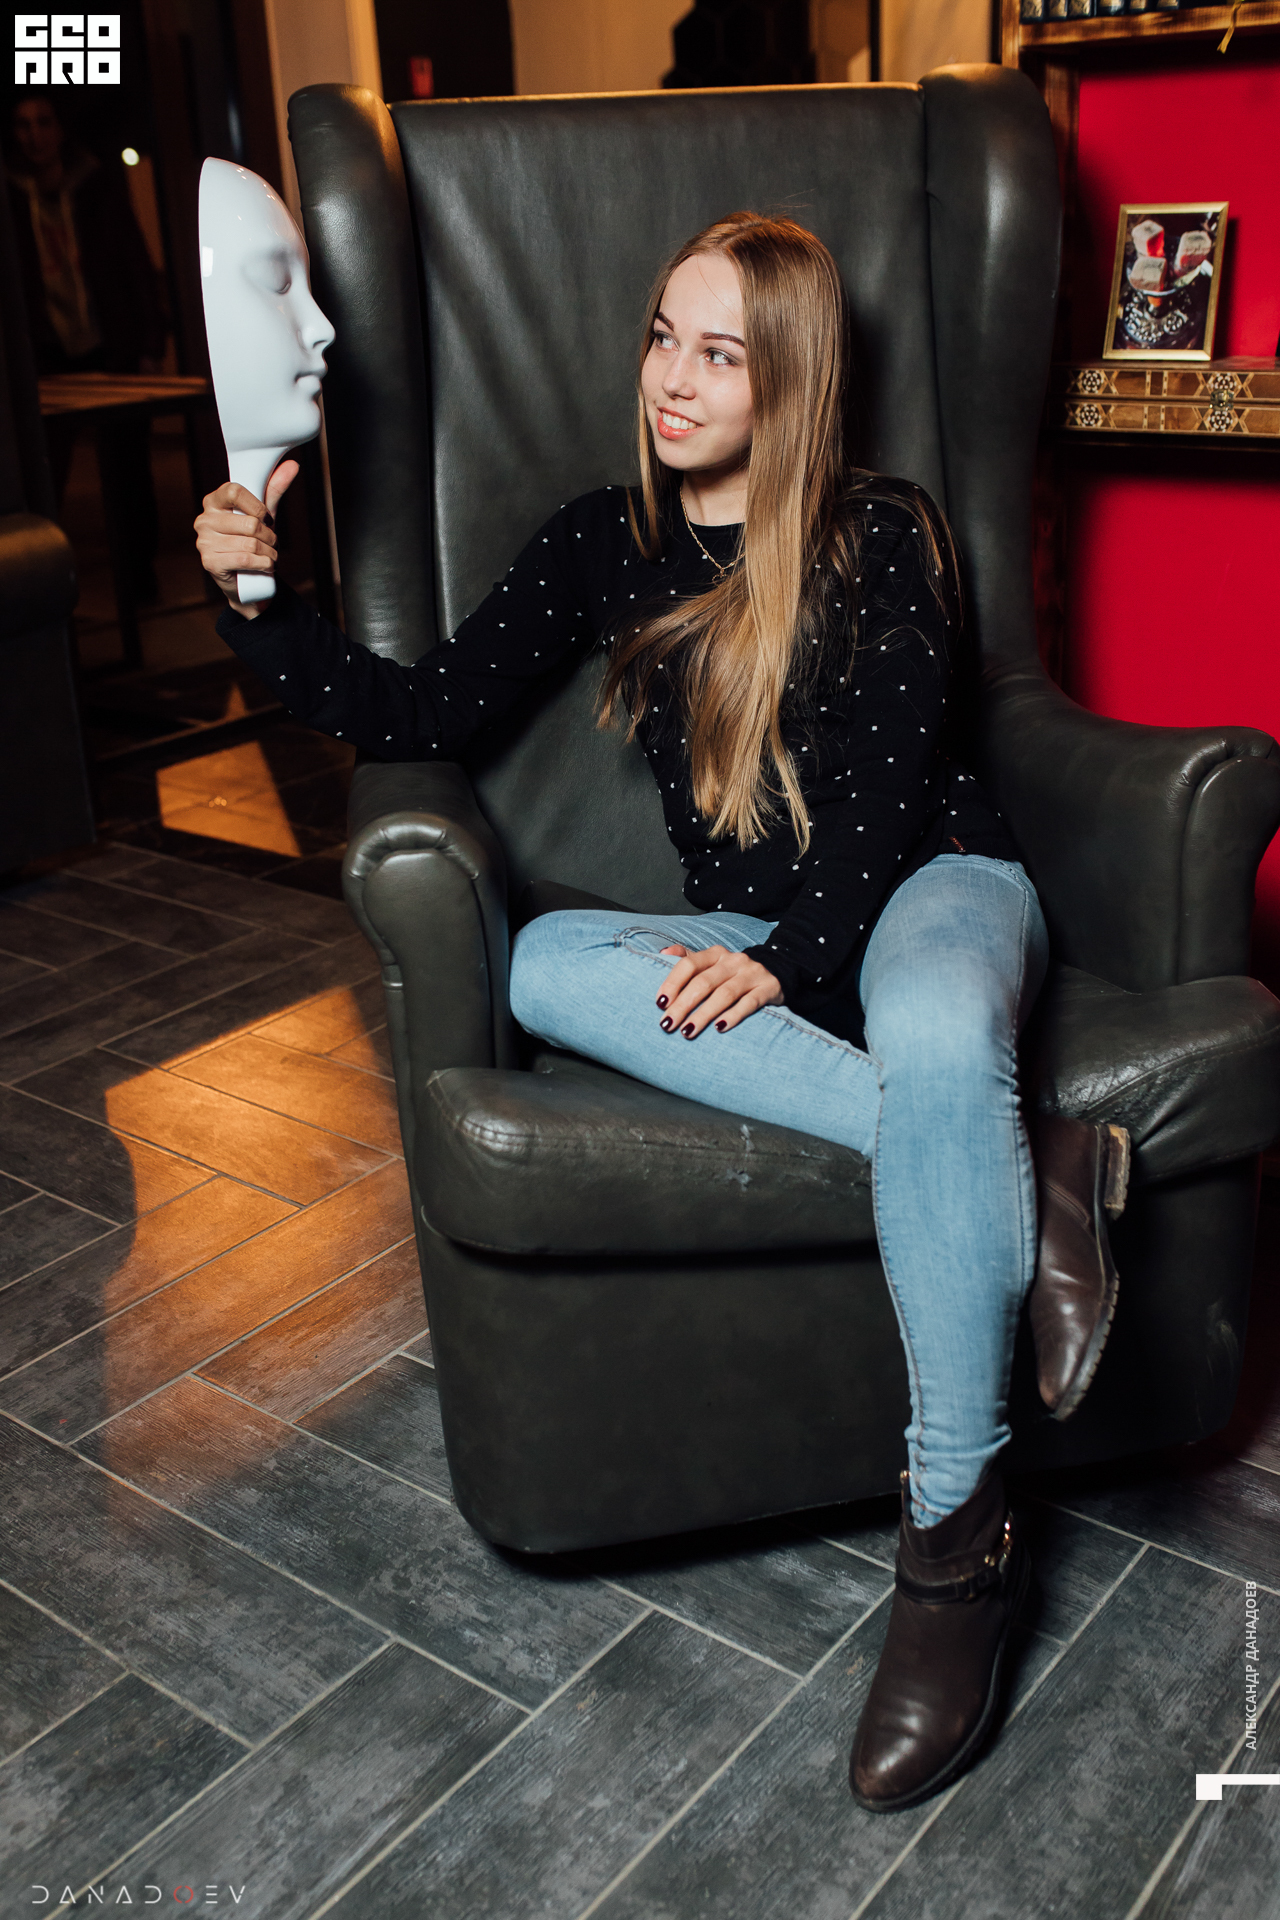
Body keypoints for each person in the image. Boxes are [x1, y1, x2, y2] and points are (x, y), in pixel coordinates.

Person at [194, 212, 1127, 1812]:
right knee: (545, 964)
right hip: (750, 922)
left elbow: (893, 781)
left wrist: (790, 963)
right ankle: (1027, 1163)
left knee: (932, 1033)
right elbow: (419, 711)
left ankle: (954, 1548)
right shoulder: (601, 542)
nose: (674, 380)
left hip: (935, 881)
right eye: (661, 338)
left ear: (792, 379)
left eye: (722, 354)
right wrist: (258, 602)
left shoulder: (881, 528)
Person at [7, 94, 167, 599]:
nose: (34, 135)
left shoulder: (95, 185)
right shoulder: (12, 196)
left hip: (109, 343)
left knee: (128, 469)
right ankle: (42, 582)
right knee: (42, 473)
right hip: (46, 352)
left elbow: (134, 261)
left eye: (43, 123)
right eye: (23, 125)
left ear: (59, 129)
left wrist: (149, 340)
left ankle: (140, 577)